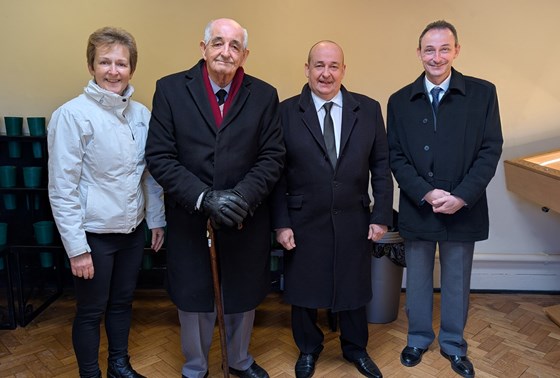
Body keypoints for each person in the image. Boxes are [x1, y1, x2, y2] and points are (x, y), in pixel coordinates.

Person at [145, 18, 285, 378]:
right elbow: (160, 156)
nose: (226, 51)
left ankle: (238, 359)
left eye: (235, 45)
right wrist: (203, 197)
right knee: (194, 298)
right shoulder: (171, 89)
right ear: (203, 47)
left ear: (245, 54)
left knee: (242, 293)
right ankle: (196, 366)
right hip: (190, 216)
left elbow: (272, 157)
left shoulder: (265, 95)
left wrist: (241, 197)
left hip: (244, 216)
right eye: (218, 42)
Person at [47, 27, 166, 378]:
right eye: (105, 62)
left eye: (121, 63)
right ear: (91, 66)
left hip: (130, 232)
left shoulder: (142, 115)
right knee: (90, 311)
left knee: (122, 304)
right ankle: (90, 373)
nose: (113, 71)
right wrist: (76, 249)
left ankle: (119, 365)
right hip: (93, 235)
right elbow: (62, 188)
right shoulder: (71, 115)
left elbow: (150, 176)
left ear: (132, 69)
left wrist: (155, 220)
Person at [387, 20, 503, 378]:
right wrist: (424, 192)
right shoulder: (399, 100)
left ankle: (454, 344)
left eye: (443, 49)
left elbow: (490, 149)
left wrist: (462, 196)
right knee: (418, 279)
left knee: (456, 280)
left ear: (456, 50)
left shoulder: (483, 94)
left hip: (462, 207)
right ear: (419, 53)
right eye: (429, 49)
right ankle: (418, 339)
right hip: (419, 204)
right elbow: (395, 156)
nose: (436, 57)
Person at [271, 40, 393, 378]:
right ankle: (308, 349)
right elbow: (276, 174)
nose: (326, 73)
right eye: (319, 65)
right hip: (302, 218)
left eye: (333, 66)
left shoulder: (368, 110)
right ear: (307, 69)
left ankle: (356, 349)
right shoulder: (285, 112)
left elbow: (381, 166)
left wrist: (381, 214)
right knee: (304, 288)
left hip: (354, 216)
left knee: (353, 287)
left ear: (343, 70)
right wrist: (281, 223)